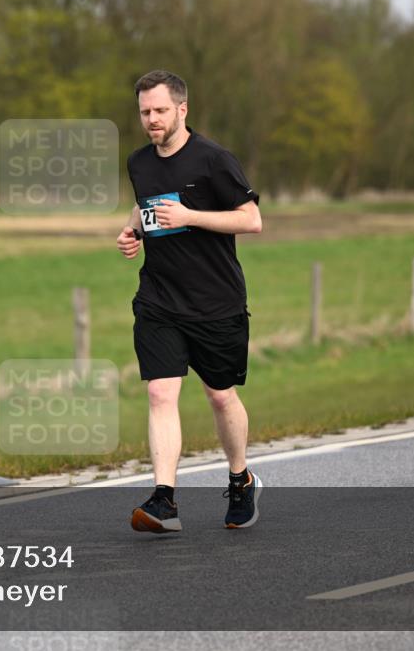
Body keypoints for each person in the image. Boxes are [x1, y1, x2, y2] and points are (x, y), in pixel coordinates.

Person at [117, 70, 263, 533]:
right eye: (145, 112)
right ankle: (164, 500)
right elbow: (147, 205)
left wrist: (191, 216)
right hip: (159, 298)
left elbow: (252, 220)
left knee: (221, 396)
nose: (152, 119)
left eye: (160, 110)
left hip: (215, 301)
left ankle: (240, 479)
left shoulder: (214, 159)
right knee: (161, 391)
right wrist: (133, 231)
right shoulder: (138, 162)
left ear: (182, 109)